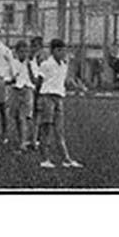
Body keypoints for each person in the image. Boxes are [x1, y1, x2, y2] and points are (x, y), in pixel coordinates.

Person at [35, 39, 82, 168]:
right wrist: (38, 99)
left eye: (64, 50)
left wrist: (76, 86)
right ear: (54, 50)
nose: (63, 53)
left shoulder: (64, 65)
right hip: (47, 97)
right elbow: (39, 82)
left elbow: (65, 81)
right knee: (46, 129)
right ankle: (45, 159)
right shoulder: (46, 64)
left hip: (59, 98)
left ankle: (66, 159)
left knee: (59, 130)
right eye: (60, 50)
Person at [10, 41, 36, 152]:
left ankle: (25, 142)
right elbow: (12, 78)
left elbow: (34, 80)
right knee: (16, 117)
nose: (23, 54)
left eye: (26, 52)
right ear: (16, 52)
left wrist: (29, 67)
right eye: (21, 52)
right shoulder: (14, 63)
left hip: (27, 90)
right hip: (16, 90)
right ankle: (24, 139)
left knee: (24, 117)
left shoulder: (31, 64)